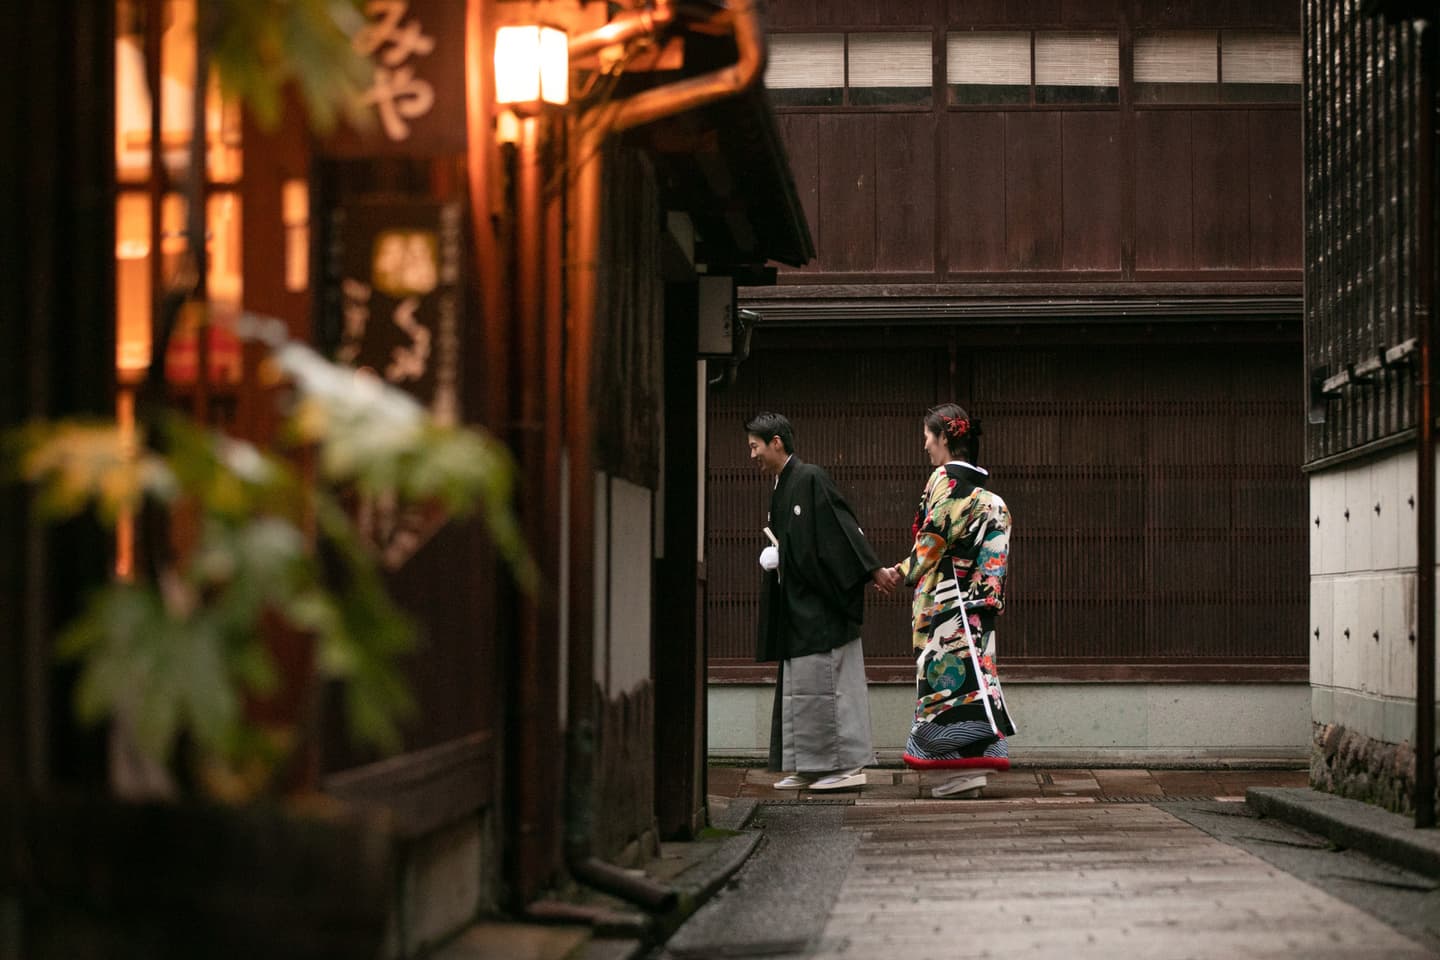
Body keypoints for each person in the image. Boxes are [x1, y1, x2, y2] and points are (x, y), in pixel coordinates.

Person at [746, 412, 897, 791]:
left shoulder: (810, 477)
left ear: (776, 442)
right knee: (802, 688)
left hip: (822, 607)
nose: (752, 455)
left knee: (827, 686)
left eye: (755, 446)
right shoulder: (782, 485)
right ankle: (809, 766)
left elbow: (841, 530)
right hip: (797, 605)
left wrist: (873, 570)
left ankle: (844, 766)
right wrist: (781, 554)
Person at [877, 403, 1016, 767]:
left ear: (943, 438)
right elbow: (994, 565)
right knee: (977, 675)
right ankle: (986, 746)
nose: (925, 445)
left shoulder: (946, 482)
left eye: (927, 436)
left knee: (940, 677)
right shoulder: (995, 504)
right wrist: (983, 598)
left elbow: (933, 538)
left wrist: (900, 571)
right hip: (978, 608)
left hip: (943, 600)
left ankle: (936, 744)